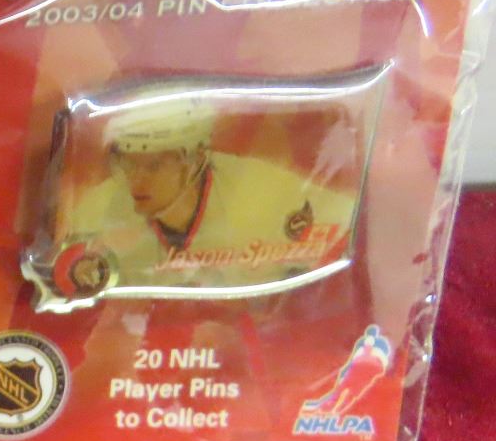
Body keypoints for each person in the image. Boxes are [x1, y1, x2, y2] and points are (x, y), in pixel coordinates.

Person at [48, 94, 358, 299]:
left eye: (155, 165)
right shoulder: (94, 212)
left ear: (196, 159)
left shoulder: (260, 189)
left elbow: (343, 227)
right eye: (128, 164)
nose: (136, 180)